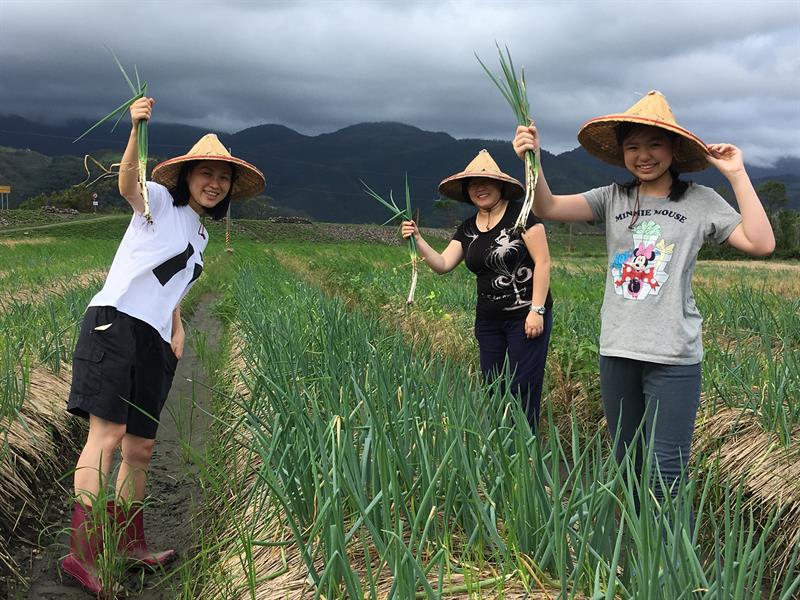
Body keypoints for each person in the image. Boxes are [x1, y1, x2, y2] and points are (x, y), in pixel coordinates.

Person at [512, 90, 774, 508]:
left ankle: (674, 569)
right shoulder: (612, 197)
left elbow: (761, 243)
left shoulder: (701, 201)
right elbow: (547, 205)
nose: (644, 155)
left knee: (667, 469)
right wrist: (534, 159)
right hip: (617, 349)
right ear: (622, 153)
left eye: (654, 144)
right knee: (626, 462)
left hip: (673, 354)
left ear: (673, 149)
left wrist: (737, 174)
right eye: (632, 146)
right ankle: (640, 563)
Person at [61, 96, 265, 594]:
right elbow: (126, 183)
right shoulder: (156, 198)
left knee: (142, 449)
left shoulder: (200, 233)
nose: (214, 183)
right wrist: (136, 128)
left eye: (224, 178)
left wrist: (177, 326)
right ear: (188, 175)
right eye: (206, 174)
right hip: (115, 324)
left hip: (154, 338)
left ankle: (131, 545)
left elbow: (171, 282)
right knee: (105, 439)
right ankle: (81, 555)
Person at [402, 149, 553, 429]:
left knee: (523, 387)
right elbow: (443, 264)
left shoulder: (522, 217)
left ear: (501, 186)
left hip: (525, 316)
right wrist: (419, 240)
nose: (479, 188)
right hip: (488, 321)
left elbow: (543, 262)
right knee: (493, 386)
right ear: (467, 191)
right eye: (473, 184)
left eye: (486, 182)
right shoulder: (468, 227)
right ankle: (499, 446)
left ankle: (526, 449)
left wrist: (537, 309)